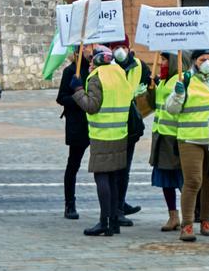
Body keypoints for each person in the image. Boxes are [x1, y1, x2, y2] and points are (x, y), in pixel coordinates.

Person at [71, 46, 132, 236]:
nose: (89, 64)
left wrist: (78, 90)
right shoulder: (120, 74)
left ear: (97, 61)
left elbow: (91, 106)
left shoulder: (97, 78)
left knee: (102, 177)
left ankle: (104, 221)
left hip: (102, 134)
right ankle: (114, 221)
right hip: (120, 133)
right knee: (113, 177)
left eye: (91, 60)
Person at [165, 49, 209, 241]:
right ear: (195, 62)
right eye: (202, 59)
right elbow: (172, 109)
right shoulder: (186, 80)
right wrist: (178, 94)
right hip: (190, 138)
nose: (207, 62)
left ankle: (205, 221)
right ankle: (187, 225)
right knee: (193, 181)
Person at [108, 36, 149, 226]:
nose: (120, 50)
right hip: (111, 126)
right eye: (116, 47)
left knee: (124, 169)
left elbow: (149, 88)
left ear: (129, 46)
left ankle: (119, 205)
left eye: (123, 46)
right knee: (113, 169)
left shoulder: (139, 66)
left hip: (130, 125)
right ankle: (113, 209)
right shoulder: (106, 67)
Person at [148, 51, 188, 232]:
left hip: (174, 136)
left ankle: (191, 214)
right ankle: (173, 215)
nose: (162, 63)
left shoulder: (178, 80)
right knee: (165, 179)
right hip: (161, 135)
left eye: (164, 60)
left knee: (182, 180)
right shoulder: (164, 80)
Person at [56, 46, 91, 220]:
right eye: (86, 50)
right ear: (78, 53)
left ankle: (117, 204)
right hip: (78, 123)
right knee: (73, 165)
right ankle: (70, 203)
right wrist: (79, 99)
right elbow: (61, 97)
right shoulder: (70, 71)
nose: (90, 53)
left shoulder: (95, 70)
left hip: (96, 123)